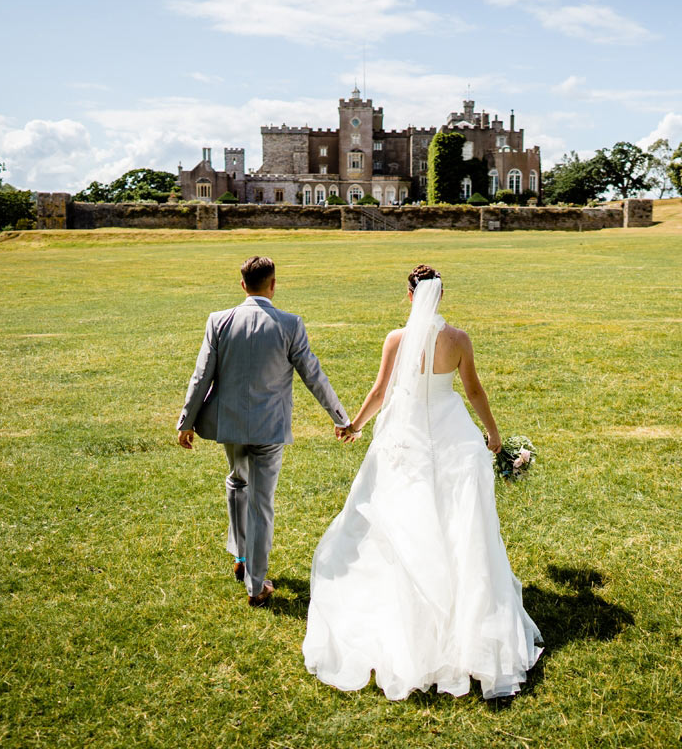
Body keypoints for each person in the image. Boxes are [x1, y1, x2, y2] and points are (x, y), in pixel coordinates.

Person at [303, 264, 543, 699]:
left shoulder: (396, 339)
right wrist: (493, 433)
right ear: (442, 295)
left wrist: (354, 424)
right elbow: (473, 391)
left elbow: (380, 391)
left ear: (410, 296)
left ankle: (414, 613)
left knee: (401, 518)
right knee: (458, 521)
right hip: (452, 431)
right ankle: (462, 613)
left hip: (406, 434)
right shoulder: (458, 339)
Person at [177, 256, 351, 607]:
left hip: (230, 425)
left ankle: (242, 557)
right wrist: (340, 416)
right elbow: (313, 375)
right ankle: (256, 585)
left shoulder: (219, 321)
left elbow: (201, 376)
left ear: (243, 285)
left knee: (237, 482)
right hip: (269, 429)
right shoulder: (289, 324)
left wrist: (186, 422)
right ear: (273, 284)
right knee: (260, 503)